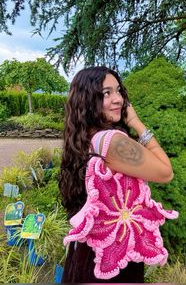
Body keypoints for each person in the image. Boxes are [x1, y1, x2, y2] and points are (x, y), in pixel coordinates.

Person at [59, 66, 177, 283]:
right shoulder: (111, 140)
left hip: (90, 251)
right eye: (106, 93)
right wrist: (136, 123)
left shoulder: (84, 138)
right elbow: (166, 172)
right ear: (87, 100)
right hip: (112, 256)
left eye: (118, 91)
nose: (118, 100)